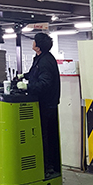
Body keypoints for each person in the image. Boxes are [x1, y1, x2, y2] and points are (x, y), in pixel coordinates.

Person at [17, 32, 61, 177]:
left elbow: (45, 83)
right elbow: (35, 74)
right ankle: (47, 166)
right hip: (47, 103)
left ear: (38, 46)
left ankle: (47, 167)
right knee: (46, 135)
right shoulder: (41, 58)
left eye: (34, 41)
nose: (32, 43)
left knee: (43, 137)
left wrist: (27, 87)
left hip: (45, 105)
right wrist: (24, 76)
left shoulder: (45, 61)